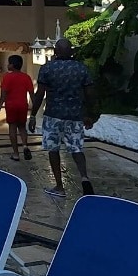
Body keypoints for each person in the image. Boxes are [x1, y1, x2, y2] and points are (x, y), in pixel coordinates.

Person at [28, 38, 99, 197]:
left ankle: (59, 186)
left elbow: (40, 94)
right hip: (75, 116)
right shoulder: (81, 68)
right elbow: (90, 94)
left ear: (55, 52)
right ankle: (84, 177)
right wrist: (89, 114)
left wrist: (33, 115)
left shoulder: (47, 68)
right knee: (76, 149)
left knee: (53, 150)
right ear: (71, 52)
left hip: (53, 115)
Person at [0, 55, 34, 161]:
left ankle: (16, 154)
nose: (7, 65)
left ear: (12, 65)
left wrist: (0, 105)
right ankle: (25, 146)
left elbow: (4, 93)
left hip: (11, 106)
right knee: (22, 127)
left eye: (9, 63)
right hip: (23, 105)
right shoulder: (26, 77)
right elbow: (31, 93)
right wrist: (35, 107)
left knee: (12, 128)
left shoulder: (7, 77)